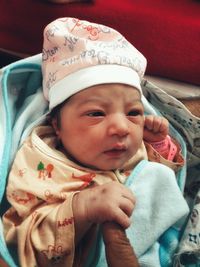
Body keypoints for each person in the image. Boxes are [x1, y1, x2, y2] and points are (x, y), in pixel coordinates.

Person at [2, 17, 188, 267]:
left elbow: (160, 183)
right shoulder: (40, 161)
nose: (122, 128)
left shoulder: (131, 144)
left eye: (133, 112)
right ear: (56, 125)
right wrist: (82, 209)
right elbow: (20, 240)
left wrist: (159, 146)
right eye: (96, 114)